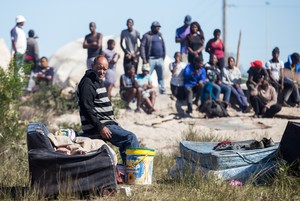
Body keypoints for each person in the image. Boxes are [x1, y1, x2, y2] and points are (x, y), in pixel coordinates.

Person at [77, 56, 139, 163]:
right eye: (99, 68)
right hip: (100, 126)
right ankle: (134, 172)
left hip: (106, 124)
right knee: (130, 138)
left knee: (125, 142)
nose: (102, 72)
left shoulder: (97, 80)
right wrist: (100, 127)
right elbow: (86, 108)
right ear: (93, 66)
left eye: (104, 69)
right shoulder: (88, 82)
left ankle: (126, 172)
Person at [140, 21, 166, 94]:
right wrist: (144, 58)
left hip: (160, 59)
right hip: (151, 59)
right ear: (152, 27)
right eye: (156, 26)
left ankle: (162, 91)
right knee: (147, 75)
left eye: (158, 27)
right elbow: (142, 46)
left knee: (161, 76)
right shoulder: (147, 35)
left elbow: (163, 46)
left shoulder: (160, 35)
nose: (157, 28)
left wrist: (163, 56)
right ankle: (146, 90)